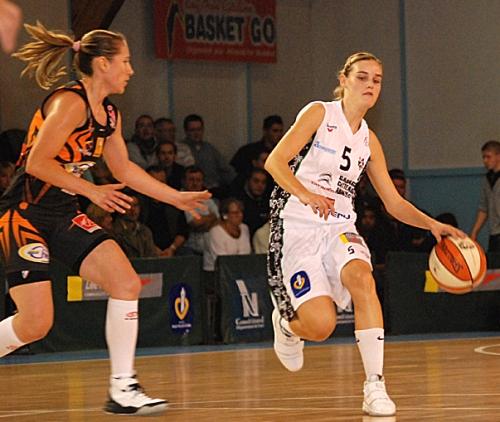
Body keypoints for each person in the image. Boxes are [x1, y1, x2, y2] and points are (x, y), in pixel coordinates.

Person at [0, 22, 210, 416]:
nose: (131, 69)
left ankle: (123, 388)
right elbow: (36, 163)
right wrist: (93, 191)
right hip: (24, 213)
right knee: (35, 324)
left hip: (62, 213)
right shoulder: (70, 103)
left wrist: (175, 197)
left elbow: (126, 170)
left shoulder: (108, 114)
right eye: (126, 61)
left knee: (126, 282)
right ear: (102, 64)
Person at [264, 51, 464, 417]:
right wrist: (307, 194)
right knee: (321, 326)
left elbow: (393, 202)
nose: (370, 84)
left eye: (377, 79)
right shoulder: (319, 113)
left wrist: (432, 224)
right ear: (343, 80)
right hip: (297, 224)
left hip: (339, 224)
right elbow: (274, 162)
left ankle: (374, 384)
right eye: (362, 76)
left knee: (363, 279)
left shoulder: (369, 141)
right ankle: (286, 323)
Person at [180, 114, 235, 199]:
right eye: (192, 130)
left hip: (213, 190)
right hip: (192, 191)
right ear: (186, 131)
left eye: (199, 129)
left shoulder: (210, 148)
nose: (196, 133)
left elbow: (225, 169)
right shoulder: (181, 149)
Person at [203, 198, 251, 271]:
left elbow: (246, 254)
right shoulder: (216, 232)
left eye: (241, 212)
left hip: (242, 270)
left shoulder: (244, 228)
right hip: (216, 274)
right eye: (235, 213)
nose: (240, 215)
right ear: (225, 215)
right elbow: (221, 260)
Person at [470, 140, 500, 252]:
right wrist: (474, 232)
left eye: (488, 157)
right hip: (494, 233)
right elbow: (484, 208)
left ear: (498, 156)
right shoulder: (487, 179)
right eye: (484, 157)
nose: (485, 161)